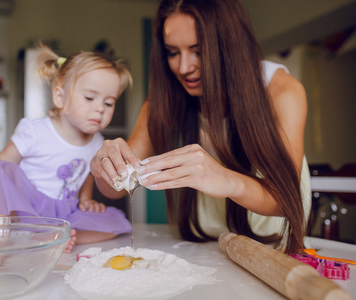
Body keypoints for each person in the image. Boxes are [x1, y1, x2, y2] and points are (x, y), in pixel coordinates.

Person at [90, 0, 311, 254]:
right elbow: (119, 185)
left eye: (199, 50)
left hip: (272, 244)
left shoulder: (283, 91)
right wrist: (101, 167)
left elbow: (285, 198)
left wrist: (226, 179)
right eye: (173, 52)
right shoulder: (163, 99)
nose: (184, 68)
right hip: (207, 243)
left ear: (230, 46)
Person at [0, 45, 133, 254]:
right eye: (90, 98)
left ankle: (58, 237)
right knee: (1, 169)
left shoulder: (98, 141)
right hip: (26, 206)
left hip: (64, 211)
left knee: (116, 221)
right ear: (60, 97)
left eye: (109, 103)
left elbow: (89, 171)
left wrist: (85, 199)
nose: (100, 108)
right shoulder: (34, 130)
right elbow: (2, 159)